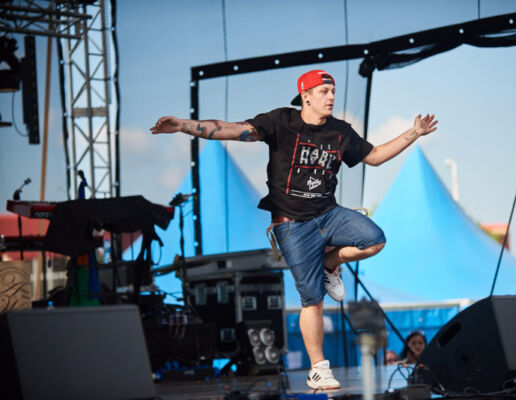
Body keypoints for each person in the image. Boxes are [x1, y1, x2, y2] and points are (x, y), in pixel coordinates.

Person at [150, 69, 437, 390]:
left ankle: (330, 264)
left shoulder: (340, 131)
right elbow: (231, 130)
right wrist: (183, 125)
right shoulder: (281, 121)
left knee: (375, 239)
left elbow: (375, 156)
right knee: (312, 299)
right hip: (293, 225)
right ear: (306, 96)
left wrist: (414, 133)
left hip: (328, 213)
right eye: (324, 91)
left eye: (333, 91)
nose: (331, 97)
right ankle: (318, 368)